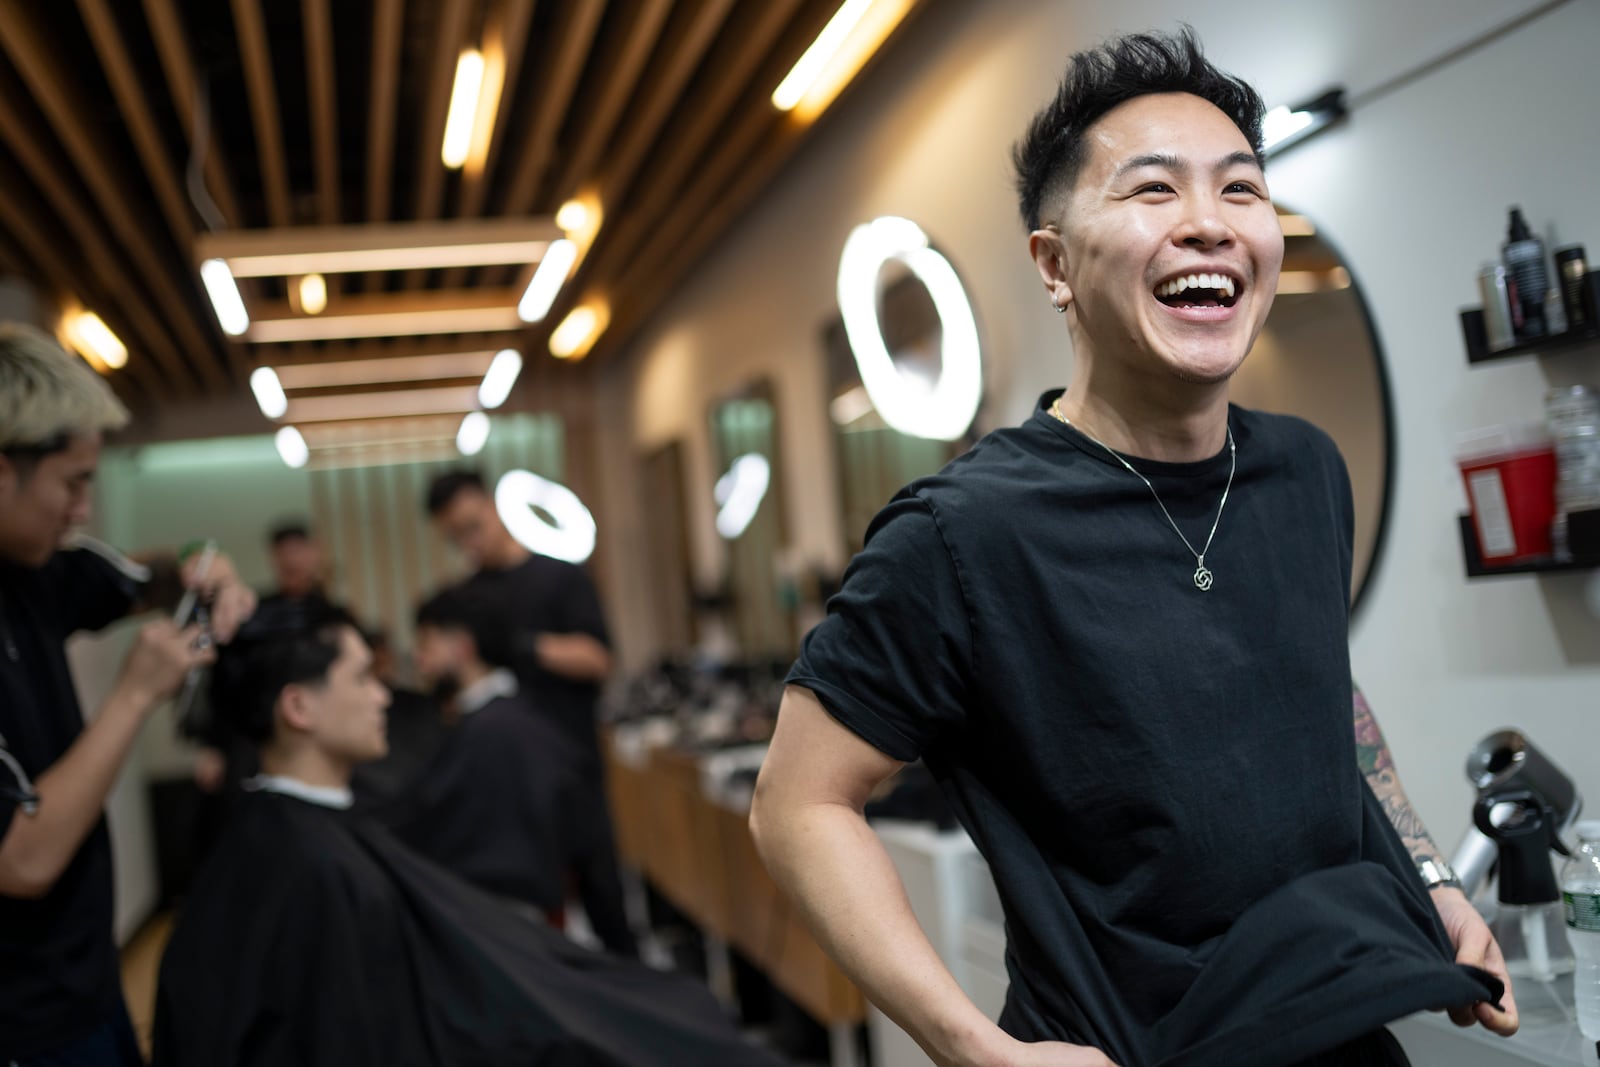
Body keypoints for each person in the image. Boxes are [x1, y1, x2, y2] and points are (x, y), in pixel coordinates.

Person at [749, 29, 1513, 1067]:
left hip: (1344, 1026)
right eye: (1153, 191)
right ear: (1054, 265)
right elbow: (797, 804)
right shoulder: (961, 532)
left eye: (1240, 190)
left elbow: (1321, 691)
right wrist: (973, 1048)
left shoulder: (1305, 470)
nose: (1207, 224)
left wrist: (1431, 881)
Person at [150, 600, 784, 1067]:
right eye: (362, 678)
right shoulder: (304, 865)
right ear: (298, 708)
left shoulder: (308, 838)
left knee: (662, 1012)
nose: (383, 697)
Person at [0, 324, 254, 1065]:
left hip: (88, 986)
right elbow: (20, 857)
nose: (83, 509)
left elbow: (155, 573)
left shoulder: (30, 573)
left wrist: (209, 565)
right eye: (73, 483)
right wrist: (135, 696)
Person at [426, 469, 637, 956]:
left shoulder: (560, 576)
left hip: (573, 765)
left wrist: (527, 646)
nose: (468, 541)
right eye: (454, 535)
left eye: (472, 525)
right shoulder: (467, 597)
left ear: (495, 506)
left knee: (603, 897)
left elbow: (597, 659)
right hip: (508, 780)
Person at [375, 587, 584, 920]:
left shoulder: (494, 728)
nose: (418, 655)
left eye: (427, 641)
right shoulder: (506, 716)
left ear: (462, 646)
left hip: (499, 906)